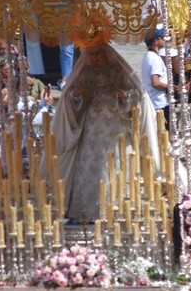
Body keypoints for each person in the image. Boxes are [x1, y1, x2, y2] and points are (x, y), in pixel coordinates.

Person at [53, 41, 161, 221]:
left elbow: (138, 94)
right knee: (92, 164)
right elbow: (69, 97)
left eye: (98, 54)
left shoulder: (118, 70)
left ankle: (120, 208)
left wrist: (123, 95)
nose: (95, 59)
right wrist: (77, 94)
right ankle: (89, 211)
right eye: (92, 55)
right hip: (93, 130)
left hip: (115, 128)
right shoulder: (85, 72)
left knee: (117, 163)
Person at [142, 27, 169, 126]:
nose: (164, 40)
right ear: (156, 41)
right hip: (160, 103)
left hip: (153, 102)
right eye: (162, 38)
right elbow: (155, 82)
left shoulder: (147, 56)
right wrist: (170, 87)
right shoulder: (155, 59)